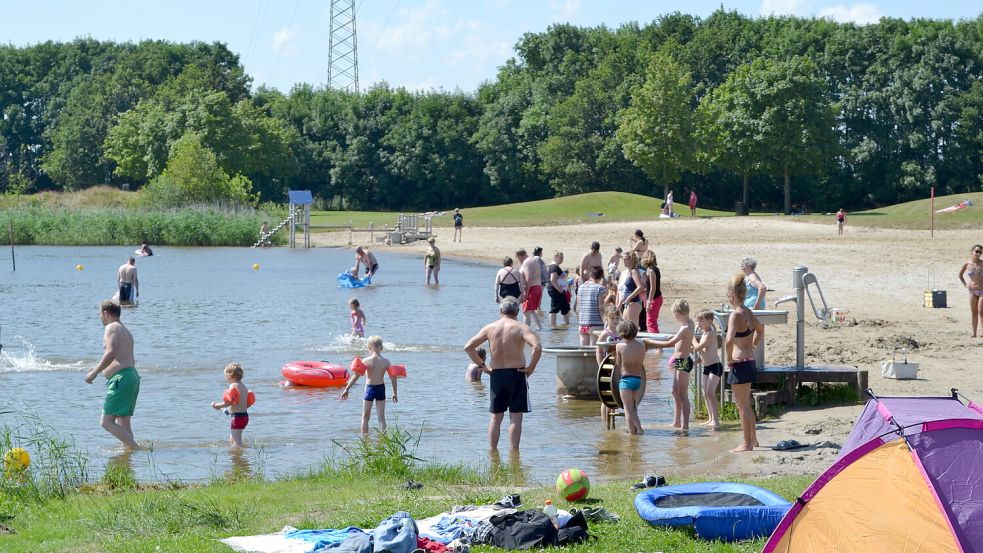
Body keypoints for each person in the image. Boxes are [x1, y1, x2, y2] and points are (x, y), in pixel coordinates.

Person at [464, 297, 542, 452]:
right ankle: (514, 454)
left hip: (496, 375)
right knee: (516, 417)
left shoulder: (490, 327)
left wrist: (483, 367)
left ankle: (492, 451)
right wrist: (531, 368)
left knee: (496, 416)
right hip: (516, 374)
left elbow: (469, 347)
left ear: (501, 311)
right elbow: (537, 347)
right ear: (517, 312)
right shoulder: (521, 327)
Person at [85, 300, 140, 450]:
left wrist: (94, 372)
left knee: (106, 422)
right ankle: (128, 455)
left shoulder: (111, 327)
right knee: (124, 424)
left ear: (105, 313)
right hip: (131, 376)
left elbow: (110, 353)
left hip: (121, 379)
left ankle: (138, 450)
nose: (100, 318)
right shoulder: (125, 330)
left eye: (100, 314)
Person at [725, 273, 764, 452]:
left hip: (739, 363)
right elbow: (760, 329)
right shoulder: (748, 311)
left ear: (732, 294)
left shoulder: (735, 314)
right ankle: (753, 440)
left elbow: (728, 340)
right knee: (747, 404)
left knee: (742, 406)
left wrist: (729, 358)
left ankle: (746, 443)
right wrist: (753, 344)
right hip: (749, 360)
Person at [645, 299, 695, 430]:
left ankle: (685, 425)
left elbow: (670, 344)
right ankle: (676, 421)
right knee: (675, 392)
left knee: (683, 394)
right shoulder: (688, 323)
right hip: (680, 361)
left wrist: (650, 342)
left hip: (684, 361)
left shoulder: (685, 327)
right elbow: (679, 339)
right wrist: (672, 337)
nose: (675, 317)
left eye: (675, 315)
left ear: (679, 314)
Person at [342, 335, 398, 435]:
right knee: (381, 418)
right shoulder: (386, 362)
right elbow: (393, 378)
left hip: (370, 389)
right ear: (382, 348)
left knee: (365, 417)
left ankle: (365, 440)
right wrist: (395, 393)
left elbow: (356, 376)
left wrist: (347, 388)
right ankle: (384, 440)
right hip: (381, 389)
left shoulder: (366, 361)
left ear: (368, 348)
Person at [615, 320, 659, 435]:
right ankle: (638, 429)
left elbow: (618, 365)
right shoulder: (641, 345)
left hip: (626, 380)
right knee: (632, 407)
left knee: (627, 408)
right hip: (637, 379)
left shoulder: (619, 346)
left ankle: (633, 433)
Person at [210, 363, 252, 447]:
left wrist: (217, 405)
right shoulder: (244, 387)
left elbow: (230, 402)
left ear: (232, 376)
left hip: (237, 417)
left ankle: (238, 454)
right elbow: (245, 404)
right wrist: (229, 410)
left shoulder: (233, 385)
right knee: (233, 439)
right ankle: (236, 452)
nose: (226, 378)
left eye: (226, 376)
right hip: (244, 416)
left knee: (236, 441)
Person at [694, 310, 722, 427]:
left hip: (715, 366)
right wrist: (696, 361)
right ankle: (710, 419)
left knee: (710, 392)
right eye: (698, 321)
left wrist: (692, 338)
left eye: (701, 321)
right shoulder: (704, 334)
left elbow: (698, 347)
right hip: (706, 367)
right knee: (705, 393)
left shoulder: (711, 333)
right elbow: (704, 352)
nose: (699, 323)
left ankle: (716, 419)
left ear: (710, 322)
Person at [576, 266, 606, 346]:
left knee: (583, 351)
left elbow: (578, 307)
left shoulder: (580, 288)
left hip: (582, 324)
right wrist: (606, 323)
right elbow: (601, 308)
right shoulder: (599, 288)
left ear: (590, 274)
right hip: (595, 324)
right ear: (601, 277)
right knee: (594, 350)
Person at [958, 244, 983, 337]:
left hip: (982, 290)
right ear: (972, 252)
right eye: (977, 251)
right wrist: (965, 284)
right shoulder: (967, 264)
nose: (978, 253)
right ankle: (974, 333)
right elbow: (960, 275)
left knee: (981, 311)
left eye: (980, 252)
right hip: (972, 290)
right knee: (973, 312)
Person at [618, 251, 645, 326]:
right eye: (623, 259)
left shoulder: (634, 271)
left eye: (625, 259)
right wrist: (621, 302)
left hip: (634, 302)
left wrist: (628, 298)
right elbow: (626, 290)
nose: (623, 261)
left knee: (632, 328)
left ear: (631, 259)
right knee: (625, 327)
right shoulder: (629, 271)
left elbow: (640, 287)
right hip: (628, 303)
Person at [518, 248, 543, 330]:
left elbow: (528, 278)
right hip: (538, 287)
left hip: (532, 288)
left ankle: (525, 331)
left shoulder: (526, 262)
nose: (518, 261)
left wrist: (526, 292)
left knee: (525, 311)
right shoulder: (534, 260)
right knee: (531, 310)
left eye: (518, 258)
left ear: (519, 256)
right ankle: (540, 328)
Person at [547, 251, 571, 327]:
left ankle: (566, 325)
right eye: (560, 257)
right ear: (555, 257)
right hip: (555, 290)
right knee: (555, 308)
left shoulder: (555, 266)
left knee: (565, 307)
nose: (562, 259)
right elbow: (552, 279)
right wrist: (559, 289)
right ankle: (553, 326)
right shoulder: (554, 267)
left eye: (562, 257)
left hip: (557, 290)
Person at [640, 251, 662, 332]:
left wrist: (649, 302)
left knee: (651, 322)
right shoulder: (652, 269)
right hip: (655, 298)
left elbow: (653, 288)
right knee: (651, 321)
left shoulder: (652, 271)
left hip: (654, 299)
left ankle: (654, 338)